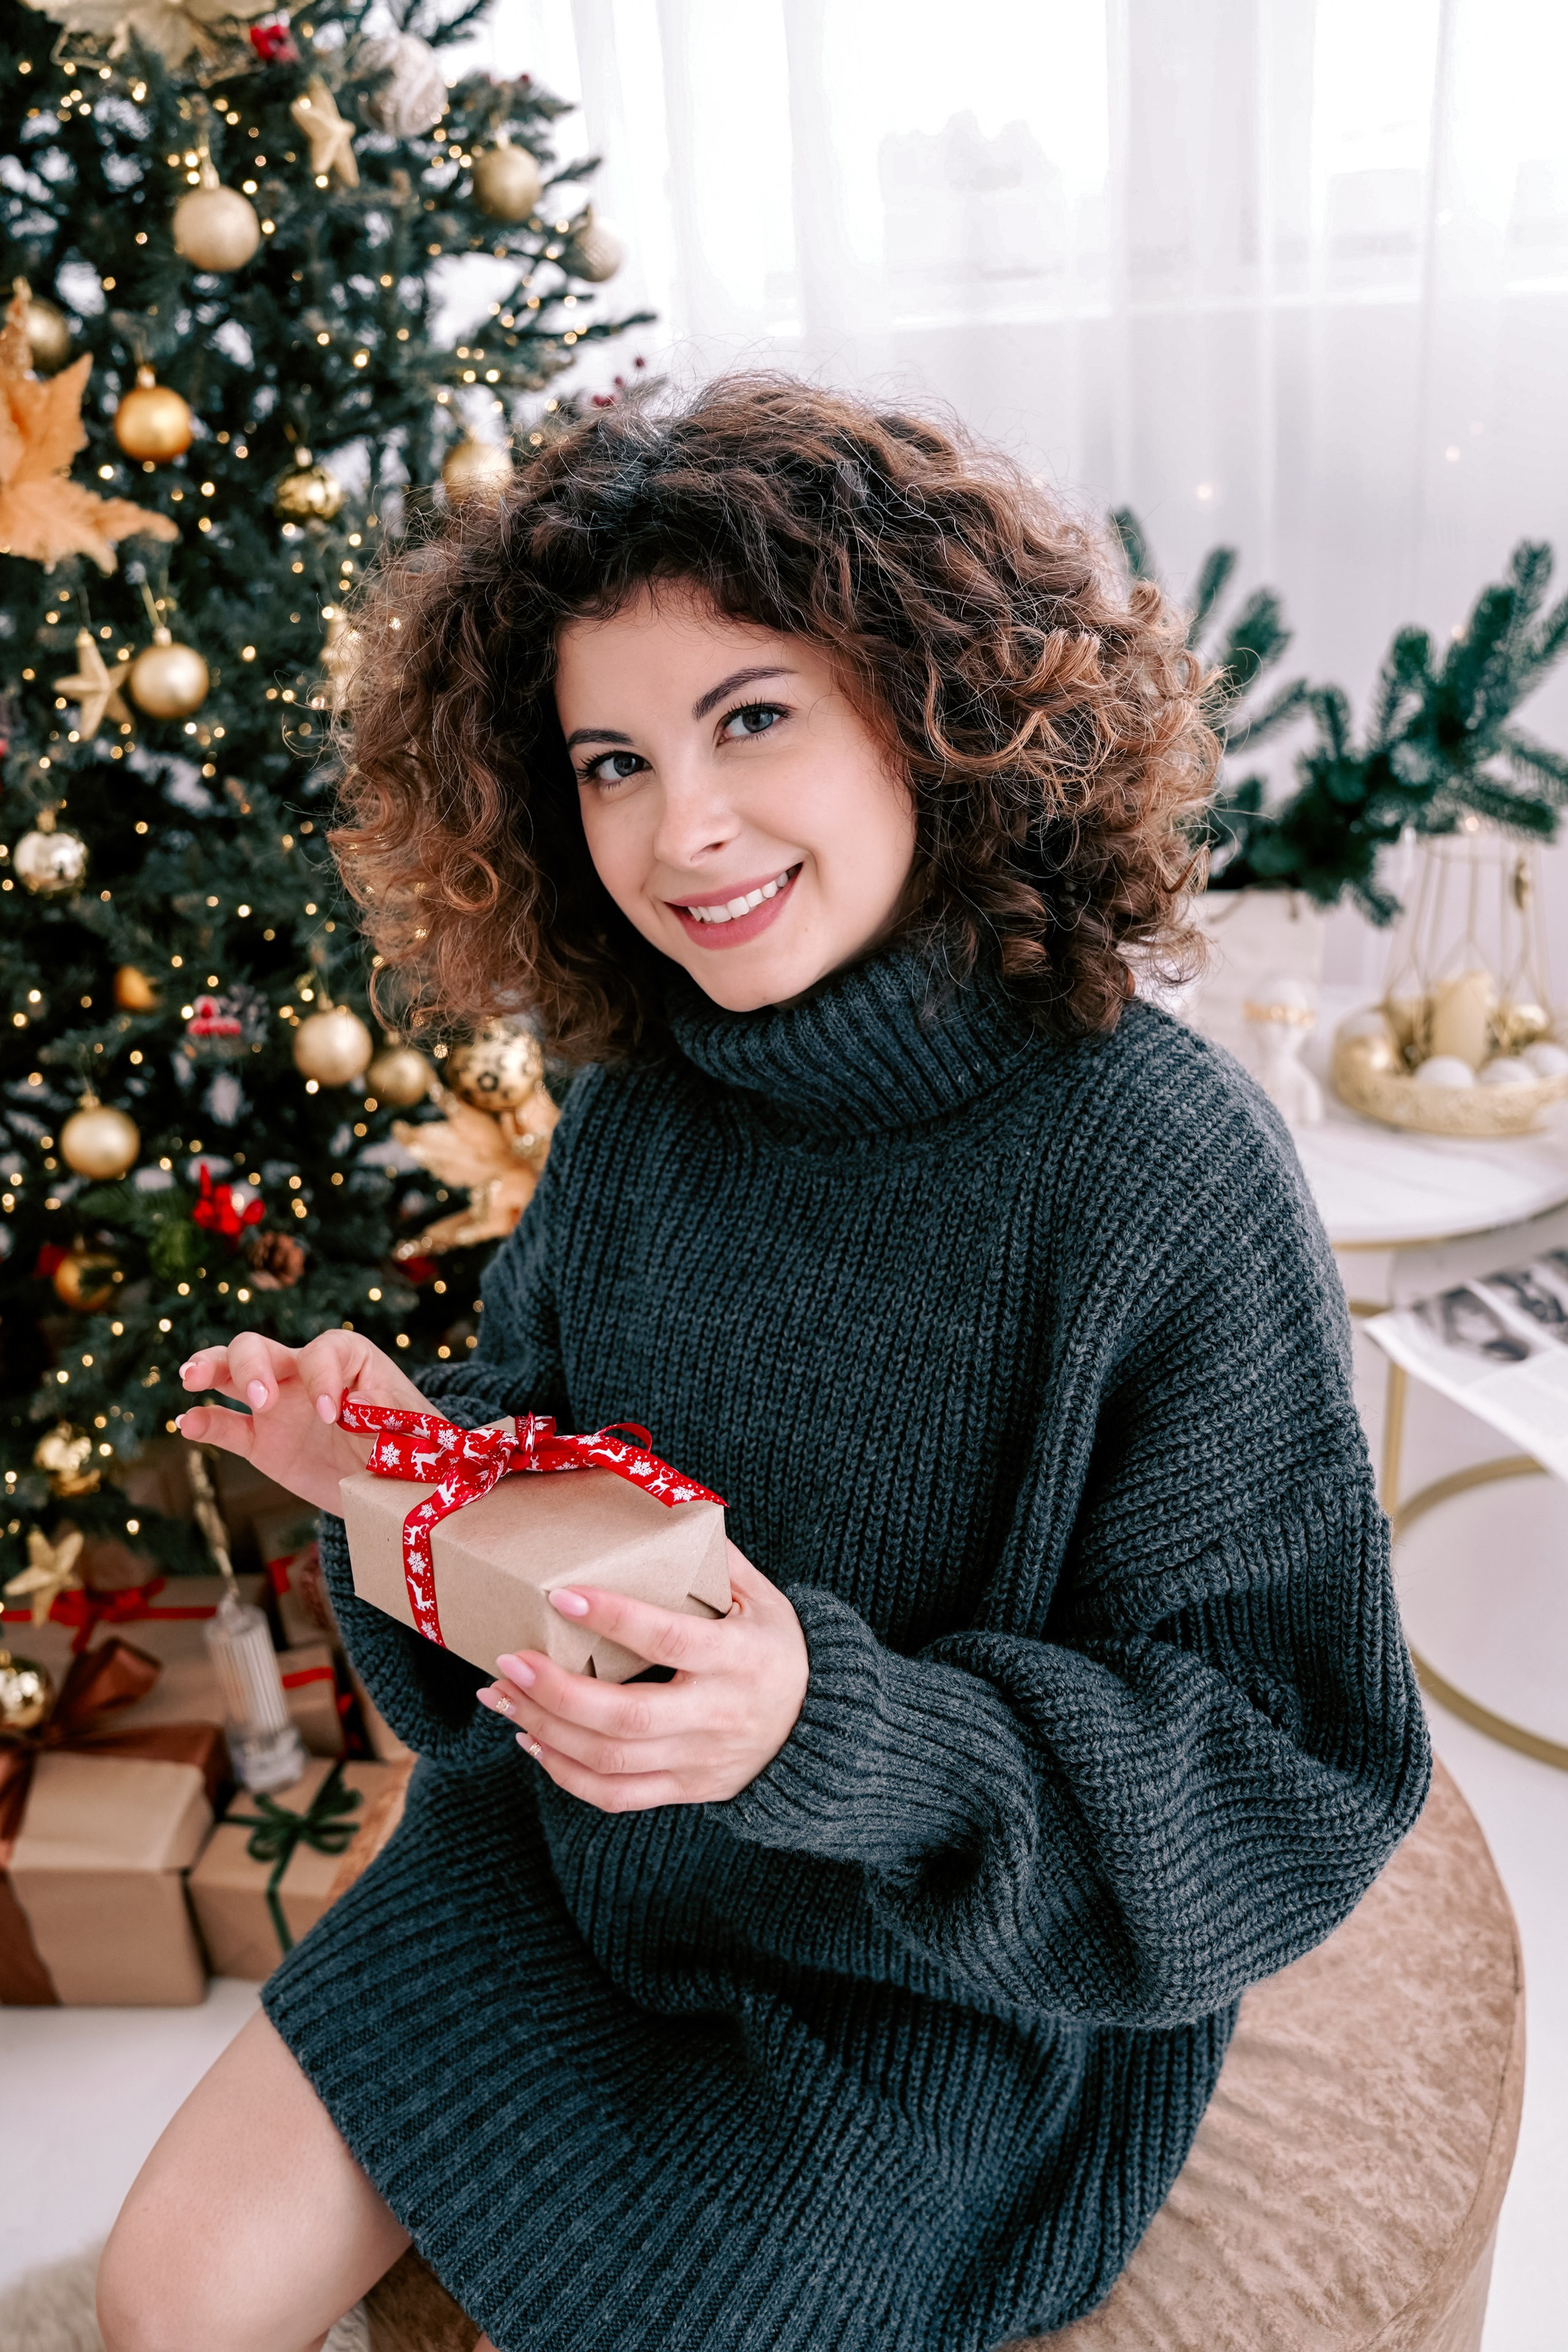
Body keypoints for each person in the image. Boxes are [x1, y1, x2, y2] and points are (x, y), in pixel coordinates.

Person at [98, 379, 1430, 2352]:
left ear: (934, 706)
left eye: (751, 721)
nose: (680, 828)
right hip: (569, 1881)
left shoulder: (1157, 1169)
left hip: (916, 2002)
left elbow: (1290, 1764)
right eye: (611, 761)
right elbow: (555, 1495)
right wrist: (400, 1474)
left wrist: (828, 1729)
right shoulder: (647, 1105)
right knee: (164, 2299)